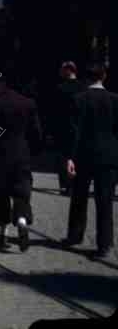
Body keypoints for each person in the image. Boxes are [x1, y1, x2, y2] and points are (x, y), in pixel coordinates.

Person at [63, 65, 118, 260]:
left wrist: (70, 157)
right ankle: (105, 244)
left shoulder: (79, 99)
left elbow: (74, 132)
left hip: (83, 155)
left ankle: (75, 235)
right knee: (105, 202)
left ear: (87, 78)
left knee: (79, 198)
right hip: (109, 157)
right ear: (104, 76)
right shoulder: (114, 100)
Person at [0, 77, 43, 253]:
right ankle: (22, 220)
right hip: (22, 153)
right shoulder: (28, 103)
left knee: (1, 194)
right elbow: (36, 132)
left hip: (0, 155)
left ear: (3, 84)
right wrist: (33, 151)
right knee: (22, 191)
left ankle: (3, 233)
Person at [54, 61, 85, 196]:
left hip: (64, 127)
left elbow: (57, 111)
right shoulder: (83, 88)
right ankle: (76, 183)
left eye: (62, 70)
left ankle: (65, 185)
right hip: (80, 127)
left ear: (68, 70)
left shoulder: (60, 88)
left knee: (63, 156)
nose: (60, 72)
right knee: (78, 155)